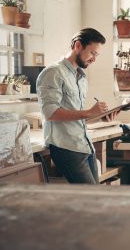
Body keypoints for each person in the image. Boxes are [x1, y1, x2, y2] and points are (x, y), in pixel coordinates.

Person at [37, 28, 118, 184]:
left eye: (97, 55)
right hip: (66, 148)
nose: (94, 59)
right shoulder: (53, 73)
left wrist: (100, 118)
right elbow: (50, 112)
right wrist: (88, 112)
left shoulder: (80, 76)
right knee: (90, 199)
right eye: (92, 53)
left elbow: (78, 118)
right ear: (78, 45)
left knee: (94, 197)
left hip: (84, 146)